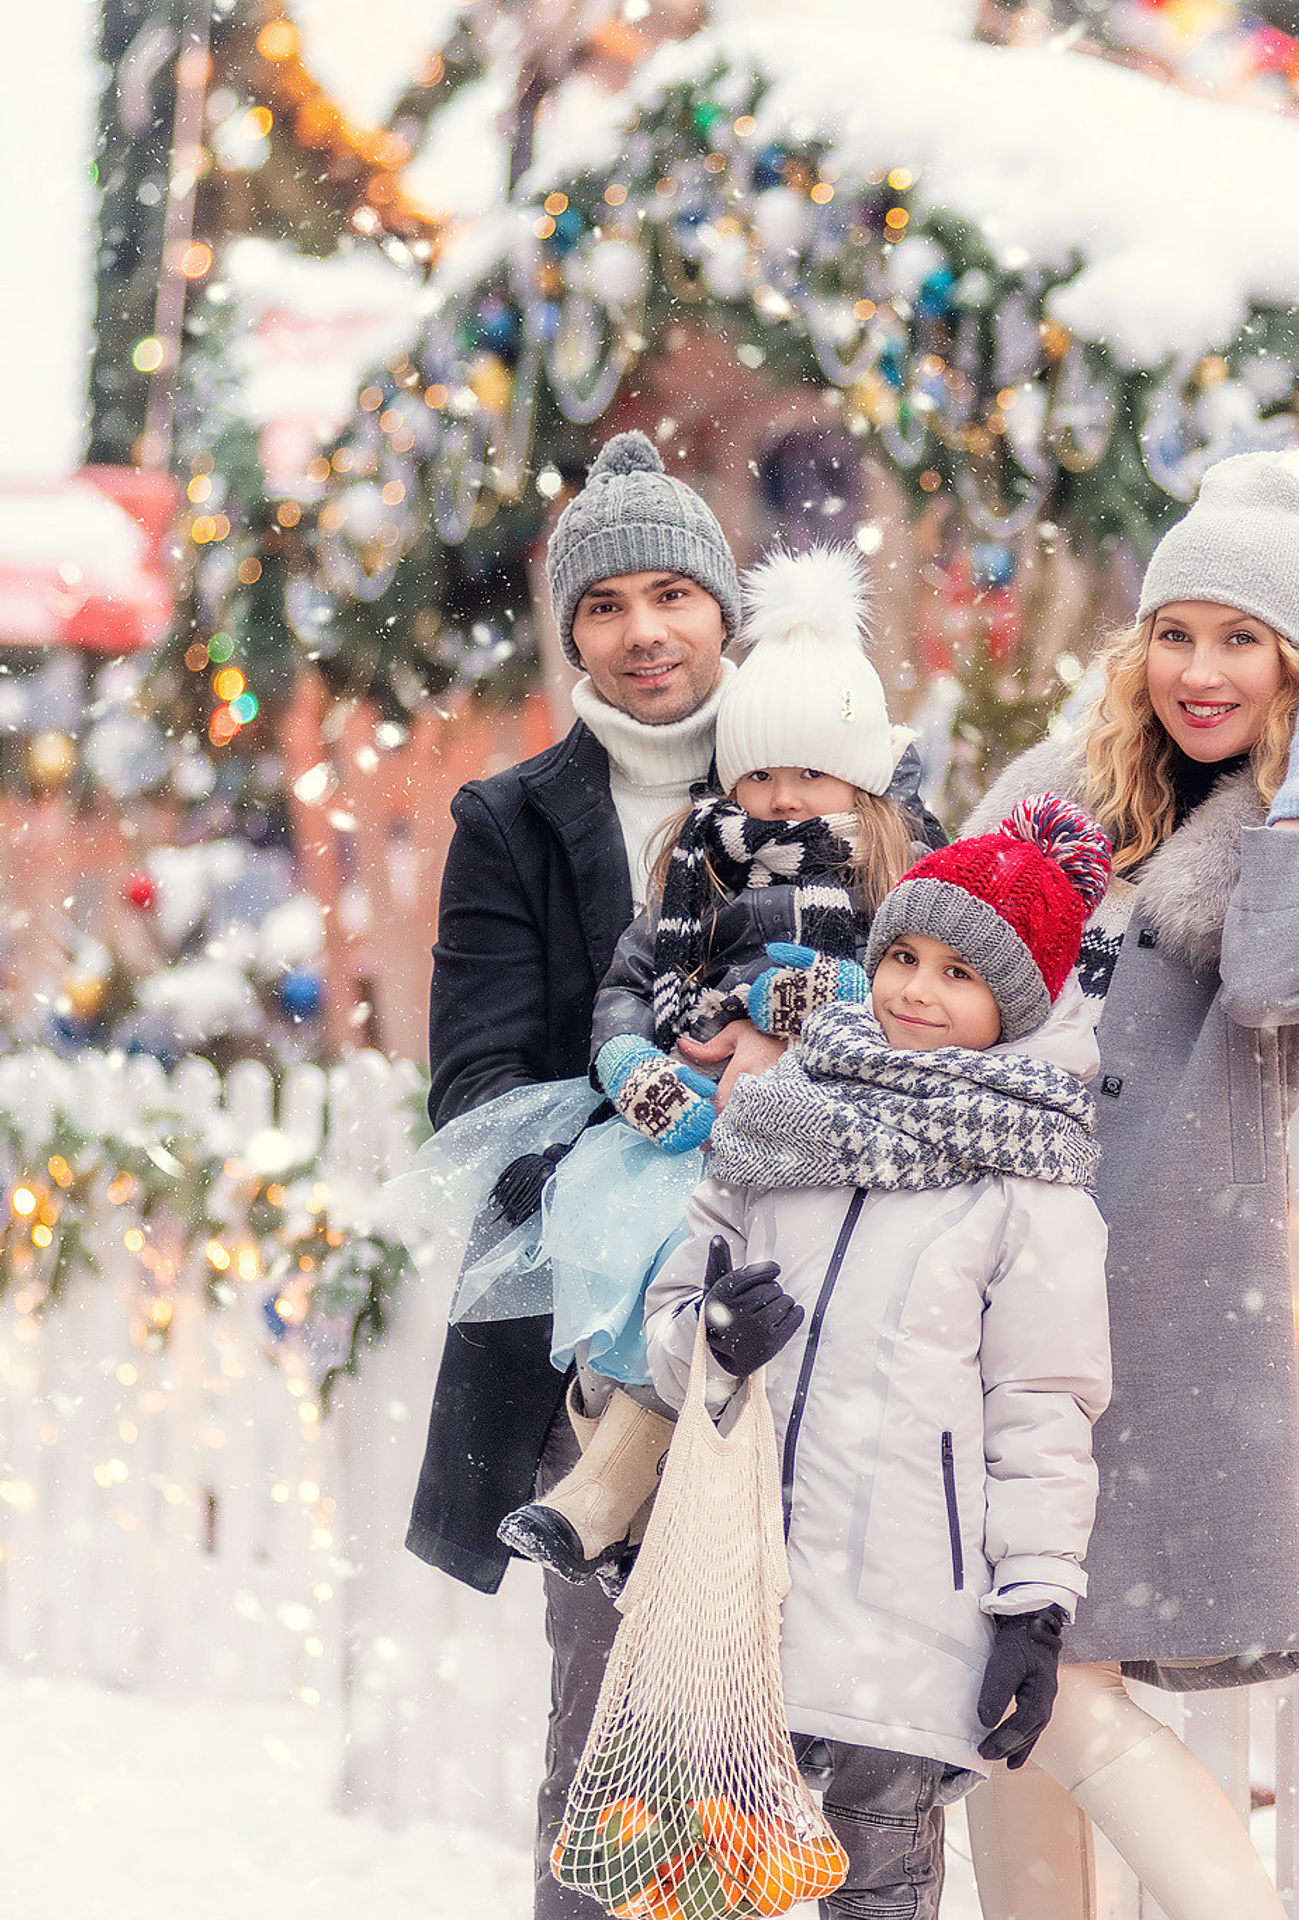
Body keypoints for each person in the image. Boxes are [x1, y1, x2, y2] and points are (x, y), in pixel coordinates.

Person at [403, 428, 939, 1920]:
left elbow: (953, 996)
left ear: (724, 607)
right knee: (621, 1749)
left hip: (843, 1316)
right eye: (604, 605)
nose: (643, 633)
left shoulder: (845, 761)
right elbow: (479, 1090)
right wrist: (682, 1104)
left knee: (856, 1749)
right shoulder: (514, 827)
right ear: (569, 629)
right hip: (624, 1329)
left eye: (672, 596)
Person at [960, 451, 1299, 1919]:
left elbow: (1274, 974)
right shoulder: (1059, 794)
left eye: (1244, 638)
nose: (1199, 669)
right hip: (986, 1253)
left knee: (1051, 1671)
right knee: (991, 1675)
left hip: (1157, 1281)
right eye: (1175, 631)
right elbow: (931, 972)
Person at [642, 795, 1115, 1920]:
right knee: (701, 1890)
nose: (914, 989)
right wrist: (708, 1343)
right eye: (901, 954)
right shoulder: (778, 1125)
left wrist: (1035, 1606)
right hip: (742, 1605)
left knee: (878, 1894)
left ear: (1013, 1003)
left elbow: (1041, 1409)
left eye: (959, 973)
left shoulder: (1029, 1185)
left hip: (910, 1616)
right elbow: (671, 1307)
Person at [479, 543, 927, 1589]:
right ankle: (620, 1516)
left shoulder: (889, 877)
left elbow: (919, 991)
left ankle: (609, 1512)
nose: (777, 798)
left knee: (720, 1312)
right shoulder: (698, 865)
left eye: (808, 772)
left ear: (859, 780)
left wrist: (826, 1009)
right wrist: (630, 1061)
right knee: (633, 1279)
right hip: (687, 1136)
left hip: (817, 1149)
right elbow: (635, 976)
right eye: (758, 772)